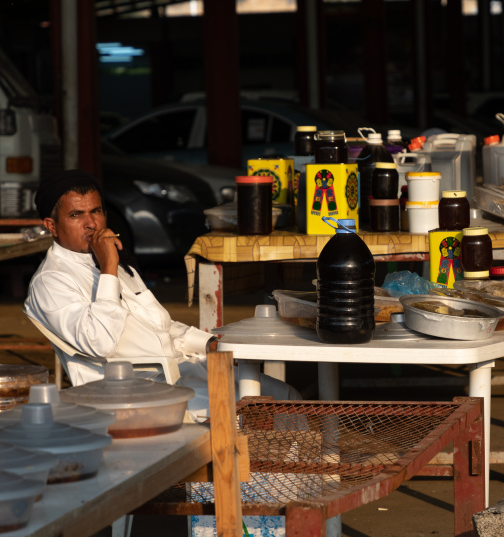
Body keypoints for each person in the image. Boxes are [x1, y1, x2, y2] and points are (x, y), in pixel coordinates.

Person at [24, 169, 299, 421]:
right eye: (76, 215)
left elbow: (158, 326)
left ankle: (296, 473)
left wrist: (207, 343)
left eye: (96, 211)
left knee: (287, 396)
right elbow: (101, 343)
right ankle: (253, 474)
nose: (91, 224)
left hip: (181, 371)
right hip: (138, 392)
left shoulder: (104, 258)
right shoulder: (51, 282)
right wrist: (109, 267)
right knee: (262, 410)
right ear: (51, 226)